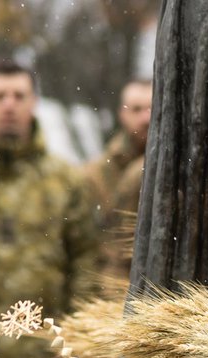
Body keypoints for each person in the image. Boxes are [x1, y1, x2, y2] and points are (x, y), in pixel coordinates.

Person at [0, 59, 98, 358]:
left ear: (33, 103)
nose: (9, 104)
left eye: (18, 95)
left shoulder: (64, 180)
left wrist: (73, 341)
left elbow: (86, 266)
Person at [82, 78, 151, 279]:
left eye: (152, 109)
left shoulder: (187, 169)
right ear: (122, 114)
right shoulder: (94, 176)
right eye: (137, 109)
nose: (146, 118)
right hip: (108, 292)